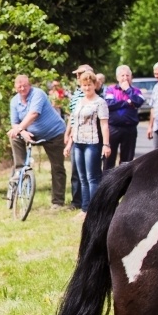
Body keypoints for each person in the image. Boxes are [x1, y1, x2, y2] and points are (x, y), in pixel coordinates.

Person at [7, 74, 68, 208]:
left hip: (54, 133)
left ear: (30, 85)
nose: (22, 88)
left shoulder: (38, 94)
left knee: (57, 167)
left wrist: (20, 128)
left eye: (25, 85)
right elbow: (14, 123)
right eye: (19, 86)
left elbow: (34, 114)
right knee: (15, 136)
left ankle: (57, 201)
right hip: (30, 133)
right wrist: (22, 131)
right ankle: (19, 170)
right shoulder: (14, 102)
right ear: (15, 87)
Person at [63, 70, 110, 219]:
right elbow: (74, 123)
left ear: (94, 85)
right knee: (82, 177)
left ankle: (94, 211)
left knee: (92, 177)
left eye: (89, 85)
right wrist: (69, 144)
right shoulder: (79, 101)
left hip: (92, 143)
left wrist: (106, 144)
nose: (87, 88)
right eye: (84, 85)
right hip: (78, 142)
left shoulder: (100, 102)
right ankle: (85, 209)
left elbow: (104, 125)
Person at [103, 64, 145, 169]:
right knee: (109, 160)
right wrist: (127, 102)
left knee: (127, 161)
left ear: (131, 77)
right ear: (117, 78)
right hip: (114, 128)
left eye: (127, 75)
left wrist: (128, 90)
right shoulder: (111, 89)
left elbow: (138, 101)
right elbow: (109, 104)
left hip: (130, 129)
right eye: (122, 75)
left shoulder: (135, 91)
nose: (125, 78)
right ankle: (107, 183)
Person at [66, 64, 94, 210]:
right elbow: (72, 115)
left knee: (89, 173)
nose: (77, 77)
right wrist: (67, 133)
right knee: (76, 172)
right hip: (74, 135)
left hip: (89, 137)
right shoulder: (76, 93)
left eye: (80, 74)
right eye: (76, 75)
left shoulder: (91, 93)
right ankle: (77, 201)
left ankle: (89, 203)